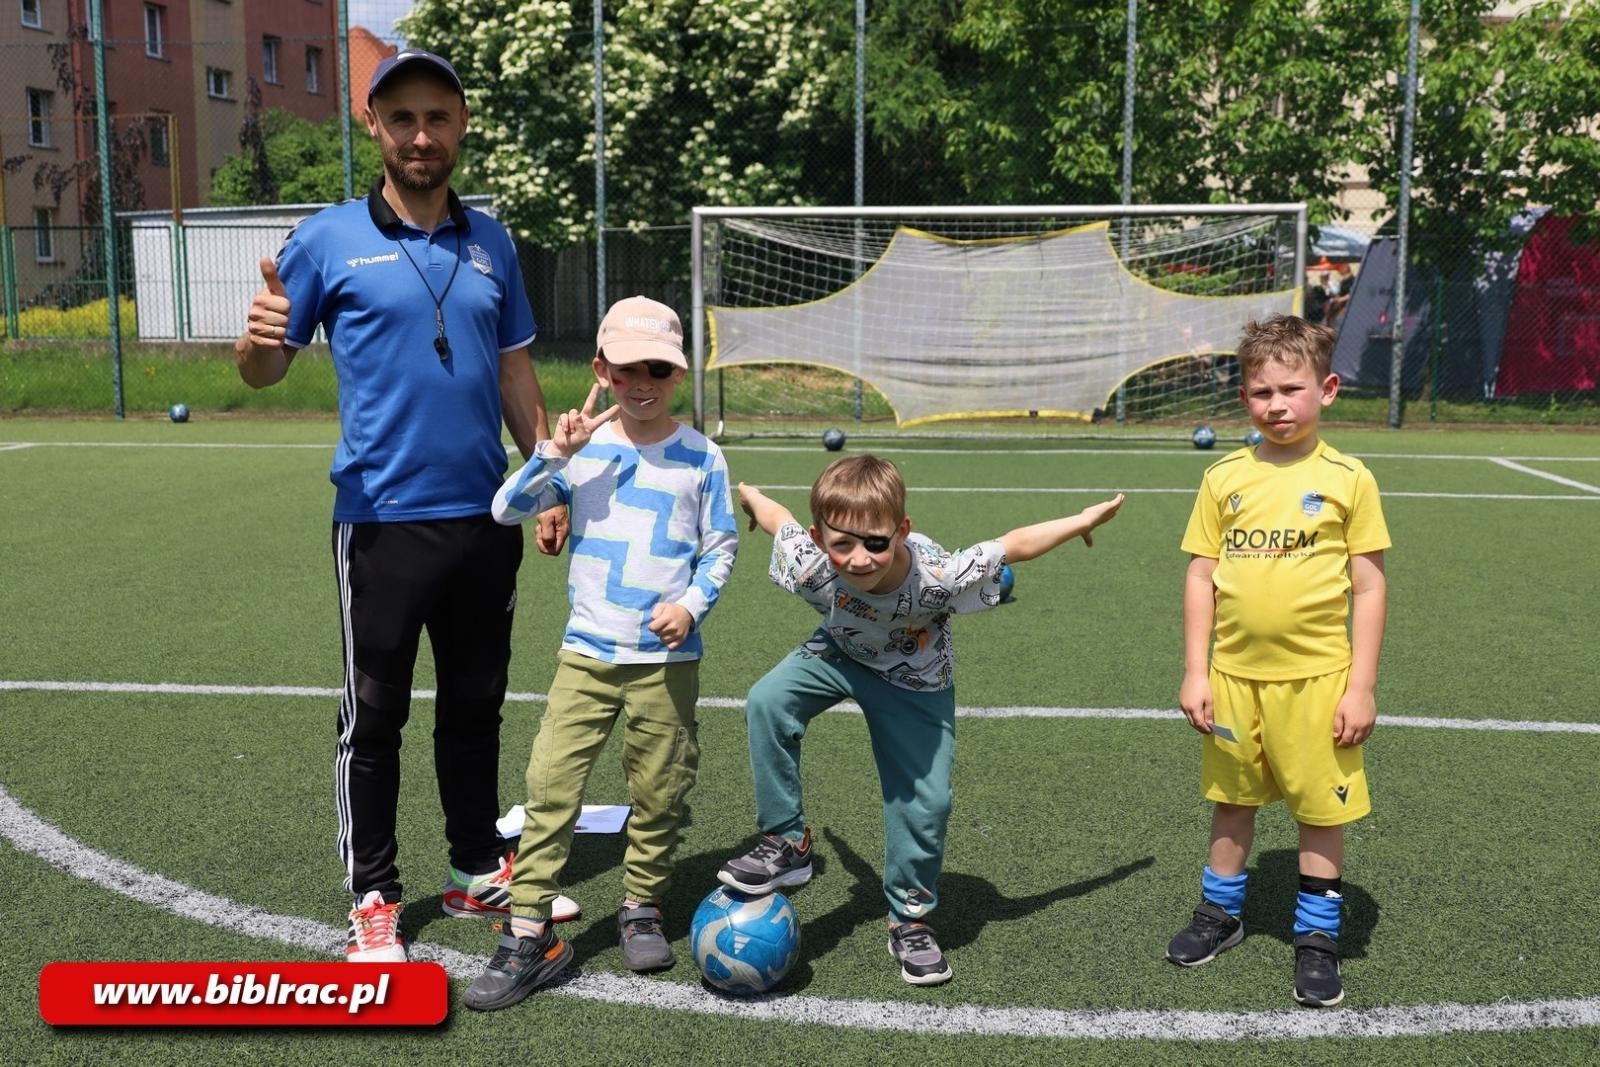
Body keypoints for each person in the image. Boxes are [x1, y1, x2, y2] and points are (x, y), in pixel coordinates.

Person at [234, 49, 569, 963]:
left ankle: (473, 867)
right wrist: (259, 340)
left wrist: (547, 477)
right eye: (404, 118)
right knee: (374, 715)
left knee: (476, 703)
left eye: (439, 117)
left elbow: (512, 367)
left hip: (485, 516)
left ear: (460, 126)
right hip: (380, 521)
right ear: (375, 128)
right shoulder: (327, 238)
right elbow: (264, 368)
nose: (422, 135)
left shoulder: (491, 239)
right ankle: (375, 896)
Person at [725, 458, 1123, 985]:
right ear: (821, 539)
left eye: (875, 543)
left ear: (902, 532)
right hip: (839, 652)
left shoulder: (938, 577)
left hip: (915, 680)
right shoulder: (813, 565)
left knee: (925, 801)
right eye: (842, 544)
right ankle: (787, 843)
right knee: (767, 701)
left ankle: (909, 920)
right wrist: (749, 492)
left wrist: (1081, 521)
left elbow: (1014, 543)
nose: (859, 558)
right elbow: (779, 519)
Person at [464, 297, 740, 1012]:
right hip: (586, 656)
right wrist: (555, 452)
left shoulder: (703, 455)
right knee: (550, 785)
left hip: (667, 664)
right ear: (601, 371)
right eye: (625, 369)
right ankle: (530, 932)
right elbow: (506, 509)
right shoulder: (583, 452)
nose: (641, 381)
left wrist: (690, 606)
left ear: (677, 372)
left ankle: (642, 903)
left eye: (657, 368)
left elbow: (721, 547)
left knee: (661, 788)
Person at [1167, 314, 1390, 1008]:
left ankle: (1317, 937)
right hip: (1234, 680)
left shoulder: (1350, 479)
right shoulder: (1224, 476)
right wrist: (1196, 670)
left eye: (1291, 389)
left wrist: (1362, 686)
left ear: (1327, 389)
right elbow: (1201, 575)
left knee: (1320, 812)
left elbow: (1370, 584)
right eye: (1261, 392)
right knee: (1231, 802)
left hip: (1319, 684)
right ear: (1244, 400)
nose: (1277, 405)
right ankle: (1220, 914)